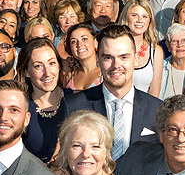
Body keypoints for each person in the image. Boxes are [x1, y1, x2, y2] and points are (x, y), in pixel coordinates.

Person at [63, 25, 162, 161]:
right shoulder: (74, 106)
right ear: (98, 59)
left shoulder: (157, 110)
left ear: (136, 58)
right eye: (108, 58)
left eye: (123, 57)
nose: (116, 65)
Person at [19, 37, 65, 164]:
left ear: (59, 65)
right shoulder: (21, 108)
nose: (47, 73)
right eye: (38, 66)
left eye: (51, 63)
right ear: (27, 72)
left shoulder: (76, 101)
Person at [120, 0, 164, 97]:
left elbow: (154, 93)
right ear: (126, 17)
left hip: (143, 110)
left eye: (144, 16)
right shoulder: (115, 48)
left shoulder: (156, 51)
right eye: (134, 15)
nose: (140, 20)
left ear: (149, 21)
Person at [63, 23, 103, 92]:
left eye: (84, 39)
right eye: (74, 42)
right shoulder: (70, 76)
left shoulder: (105, 72)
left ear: (95, 43)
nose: (79, 45)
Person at [161, 23, 185, 99]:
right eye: (174, 41)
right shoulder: (160, 68)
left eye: (184, 40)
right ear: (168, 45)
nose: (180, 45)